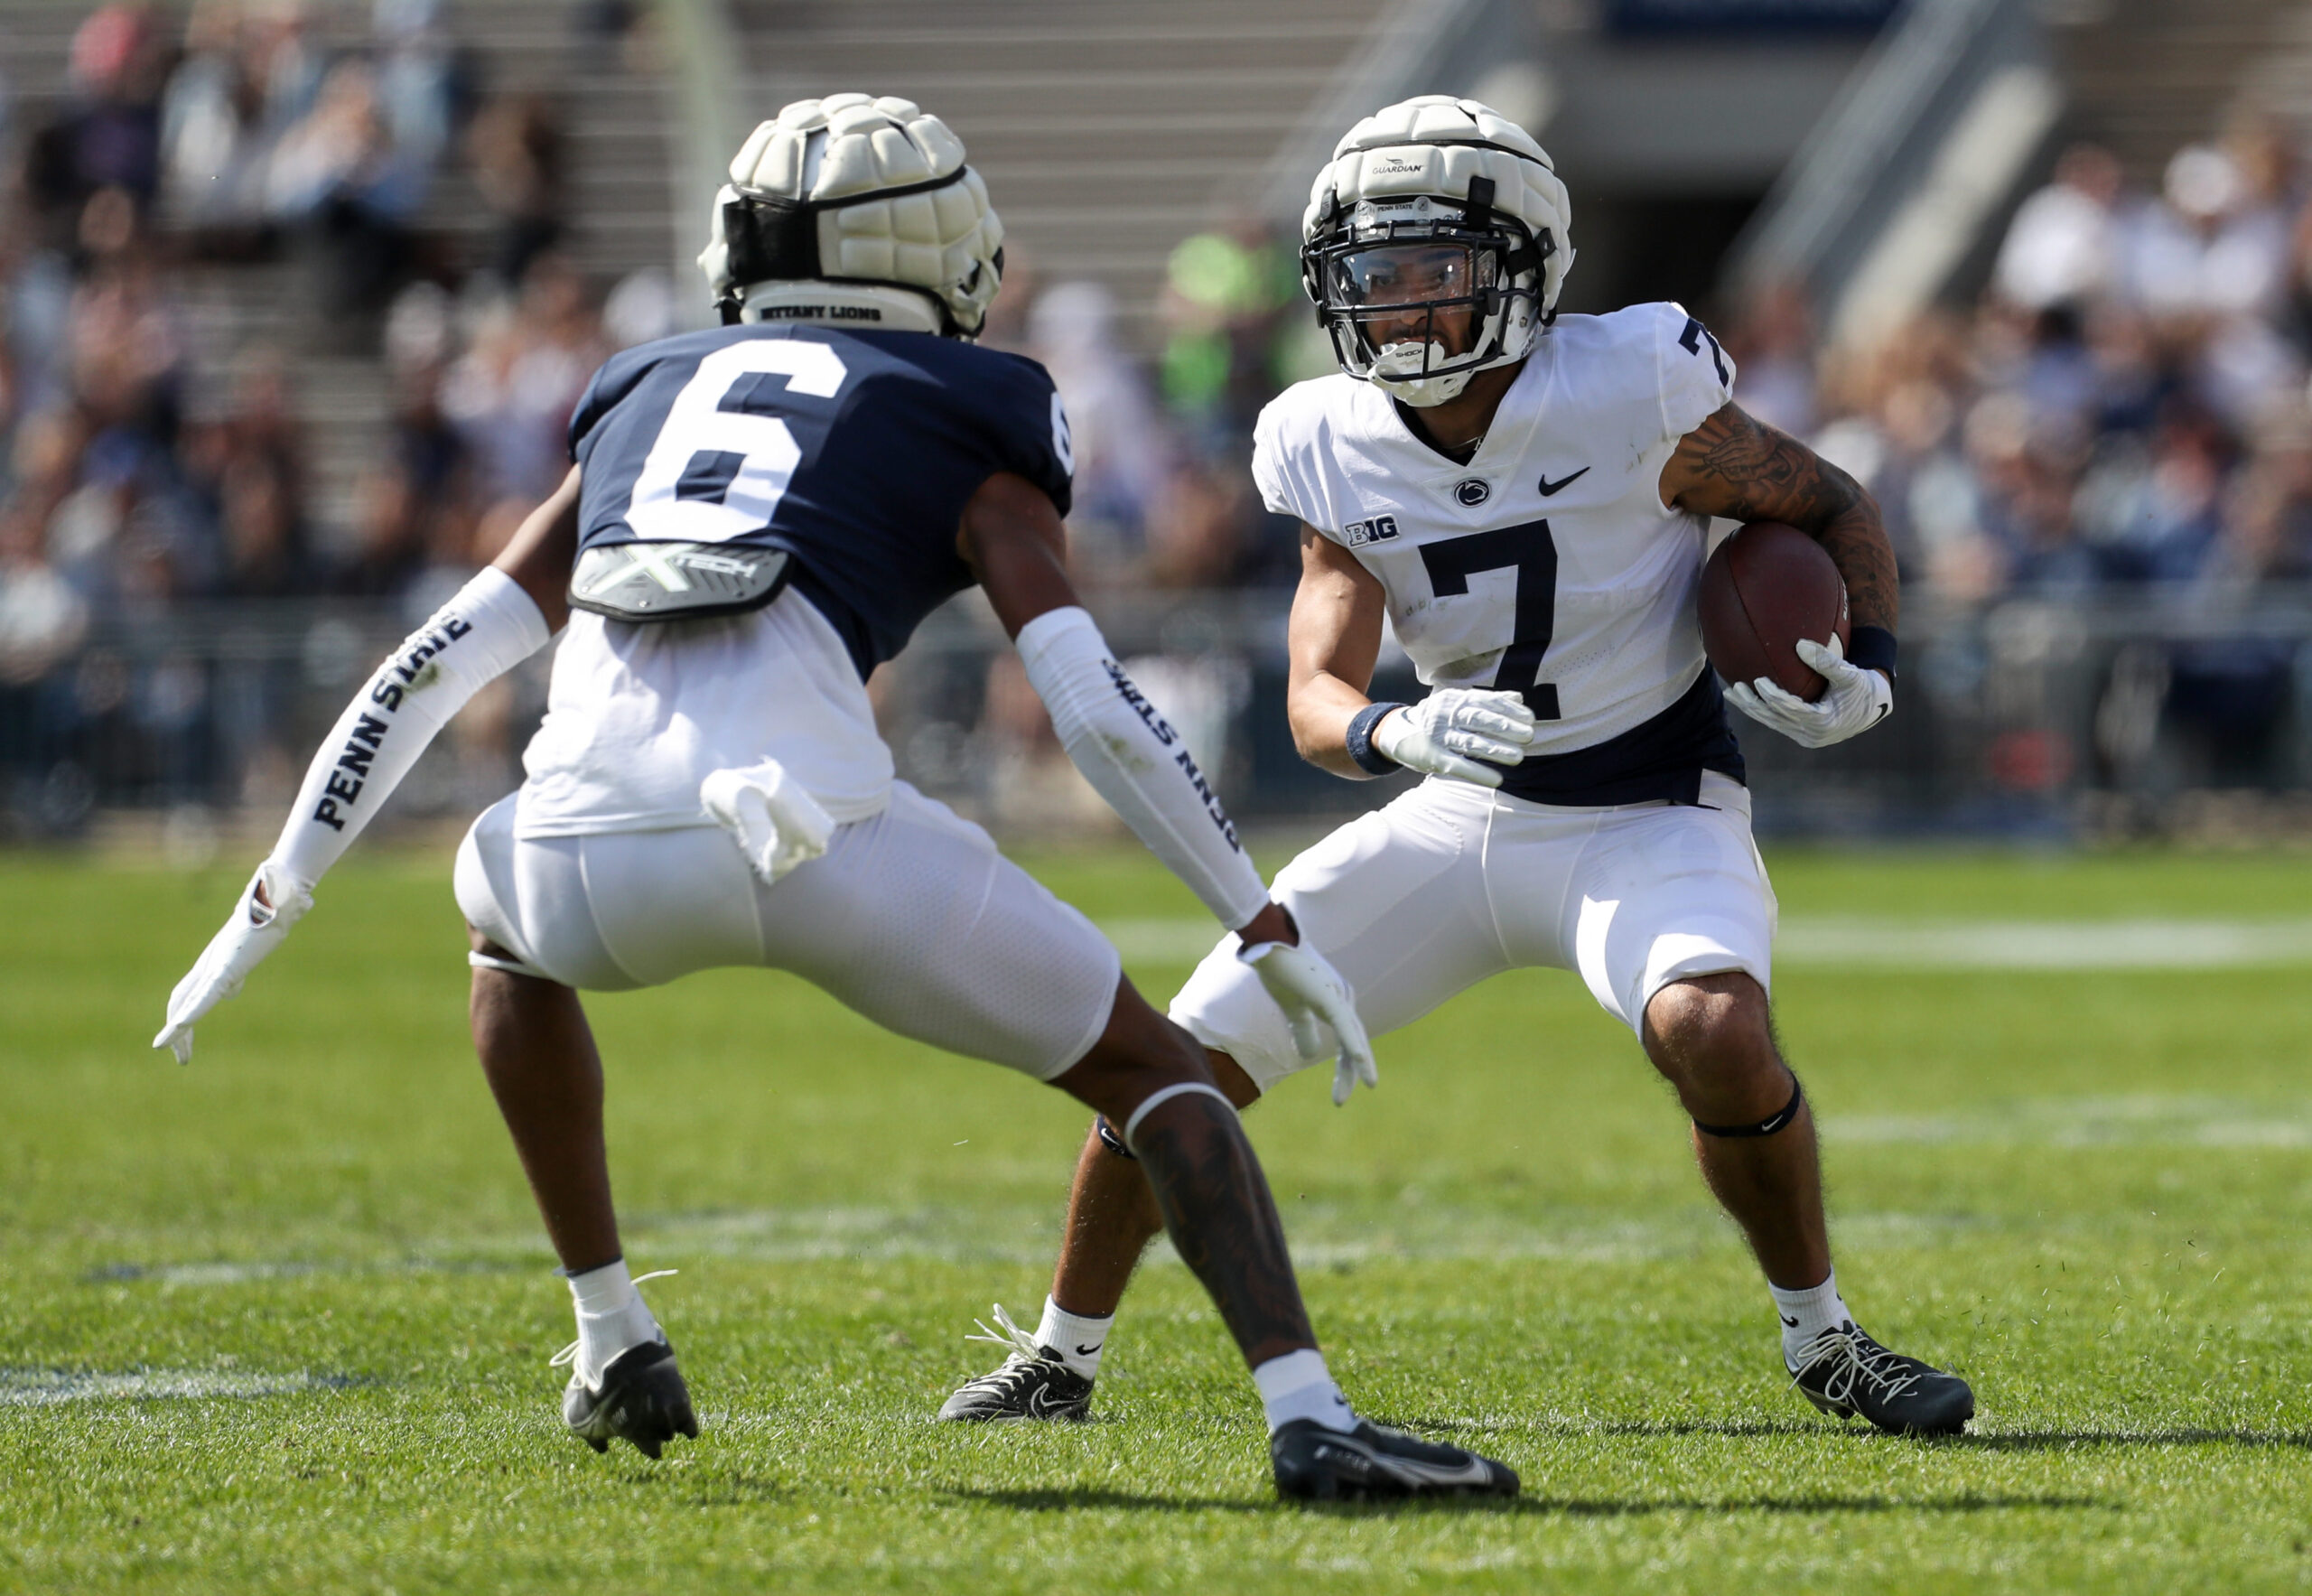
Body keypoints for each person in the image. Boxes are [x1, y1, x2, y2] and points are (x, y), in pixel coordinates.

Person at [151, 94, 1518, 1504]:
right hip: (811, 842)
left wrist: (271, 900)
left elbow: (433, 659)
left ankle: (613, 1329)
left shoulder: (639, 386)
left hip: (570, 856)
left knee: (498, 930)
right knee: (1160, 1072)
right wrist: (1262, 926)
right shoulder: (973, 402)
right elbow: (1096, 709)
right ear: (927, 242)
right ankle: (1308, 1419)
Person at [940, 95, 1975, 1437]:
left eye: (1437, 269)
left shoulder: (1636, 381)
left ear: (1530, 268)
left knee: (1713, 1032)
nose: (1401, 304)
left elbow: (1832, 501)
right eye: (1374, 275)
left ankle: (1826, 1340)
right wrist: (1389, 730)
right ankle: (1058, 1359)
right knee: (1177, 1055)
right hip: (1461, 812)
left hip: (1650, 806)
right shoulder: (1322, 434)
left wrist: (1871, 659)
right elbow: (1317, 695)